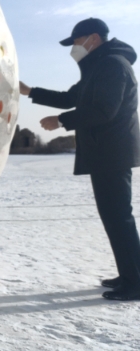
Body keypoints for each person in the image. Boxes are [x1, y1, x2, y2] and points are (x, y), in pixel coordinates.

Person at [20, 17, 140, 301]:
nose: (74, 48)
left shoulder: (112, 65)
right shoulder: (99, 65)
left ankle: (135, 282)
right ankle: (131, 273)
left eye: (76, 41)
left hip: (111, 153)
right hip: (105, 152)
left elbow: (105, 110)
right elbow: (69, 97)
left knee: (118, 217)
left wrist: (62, 121)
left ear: (93, 38)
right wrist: (29, 91)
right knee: (115, 216)